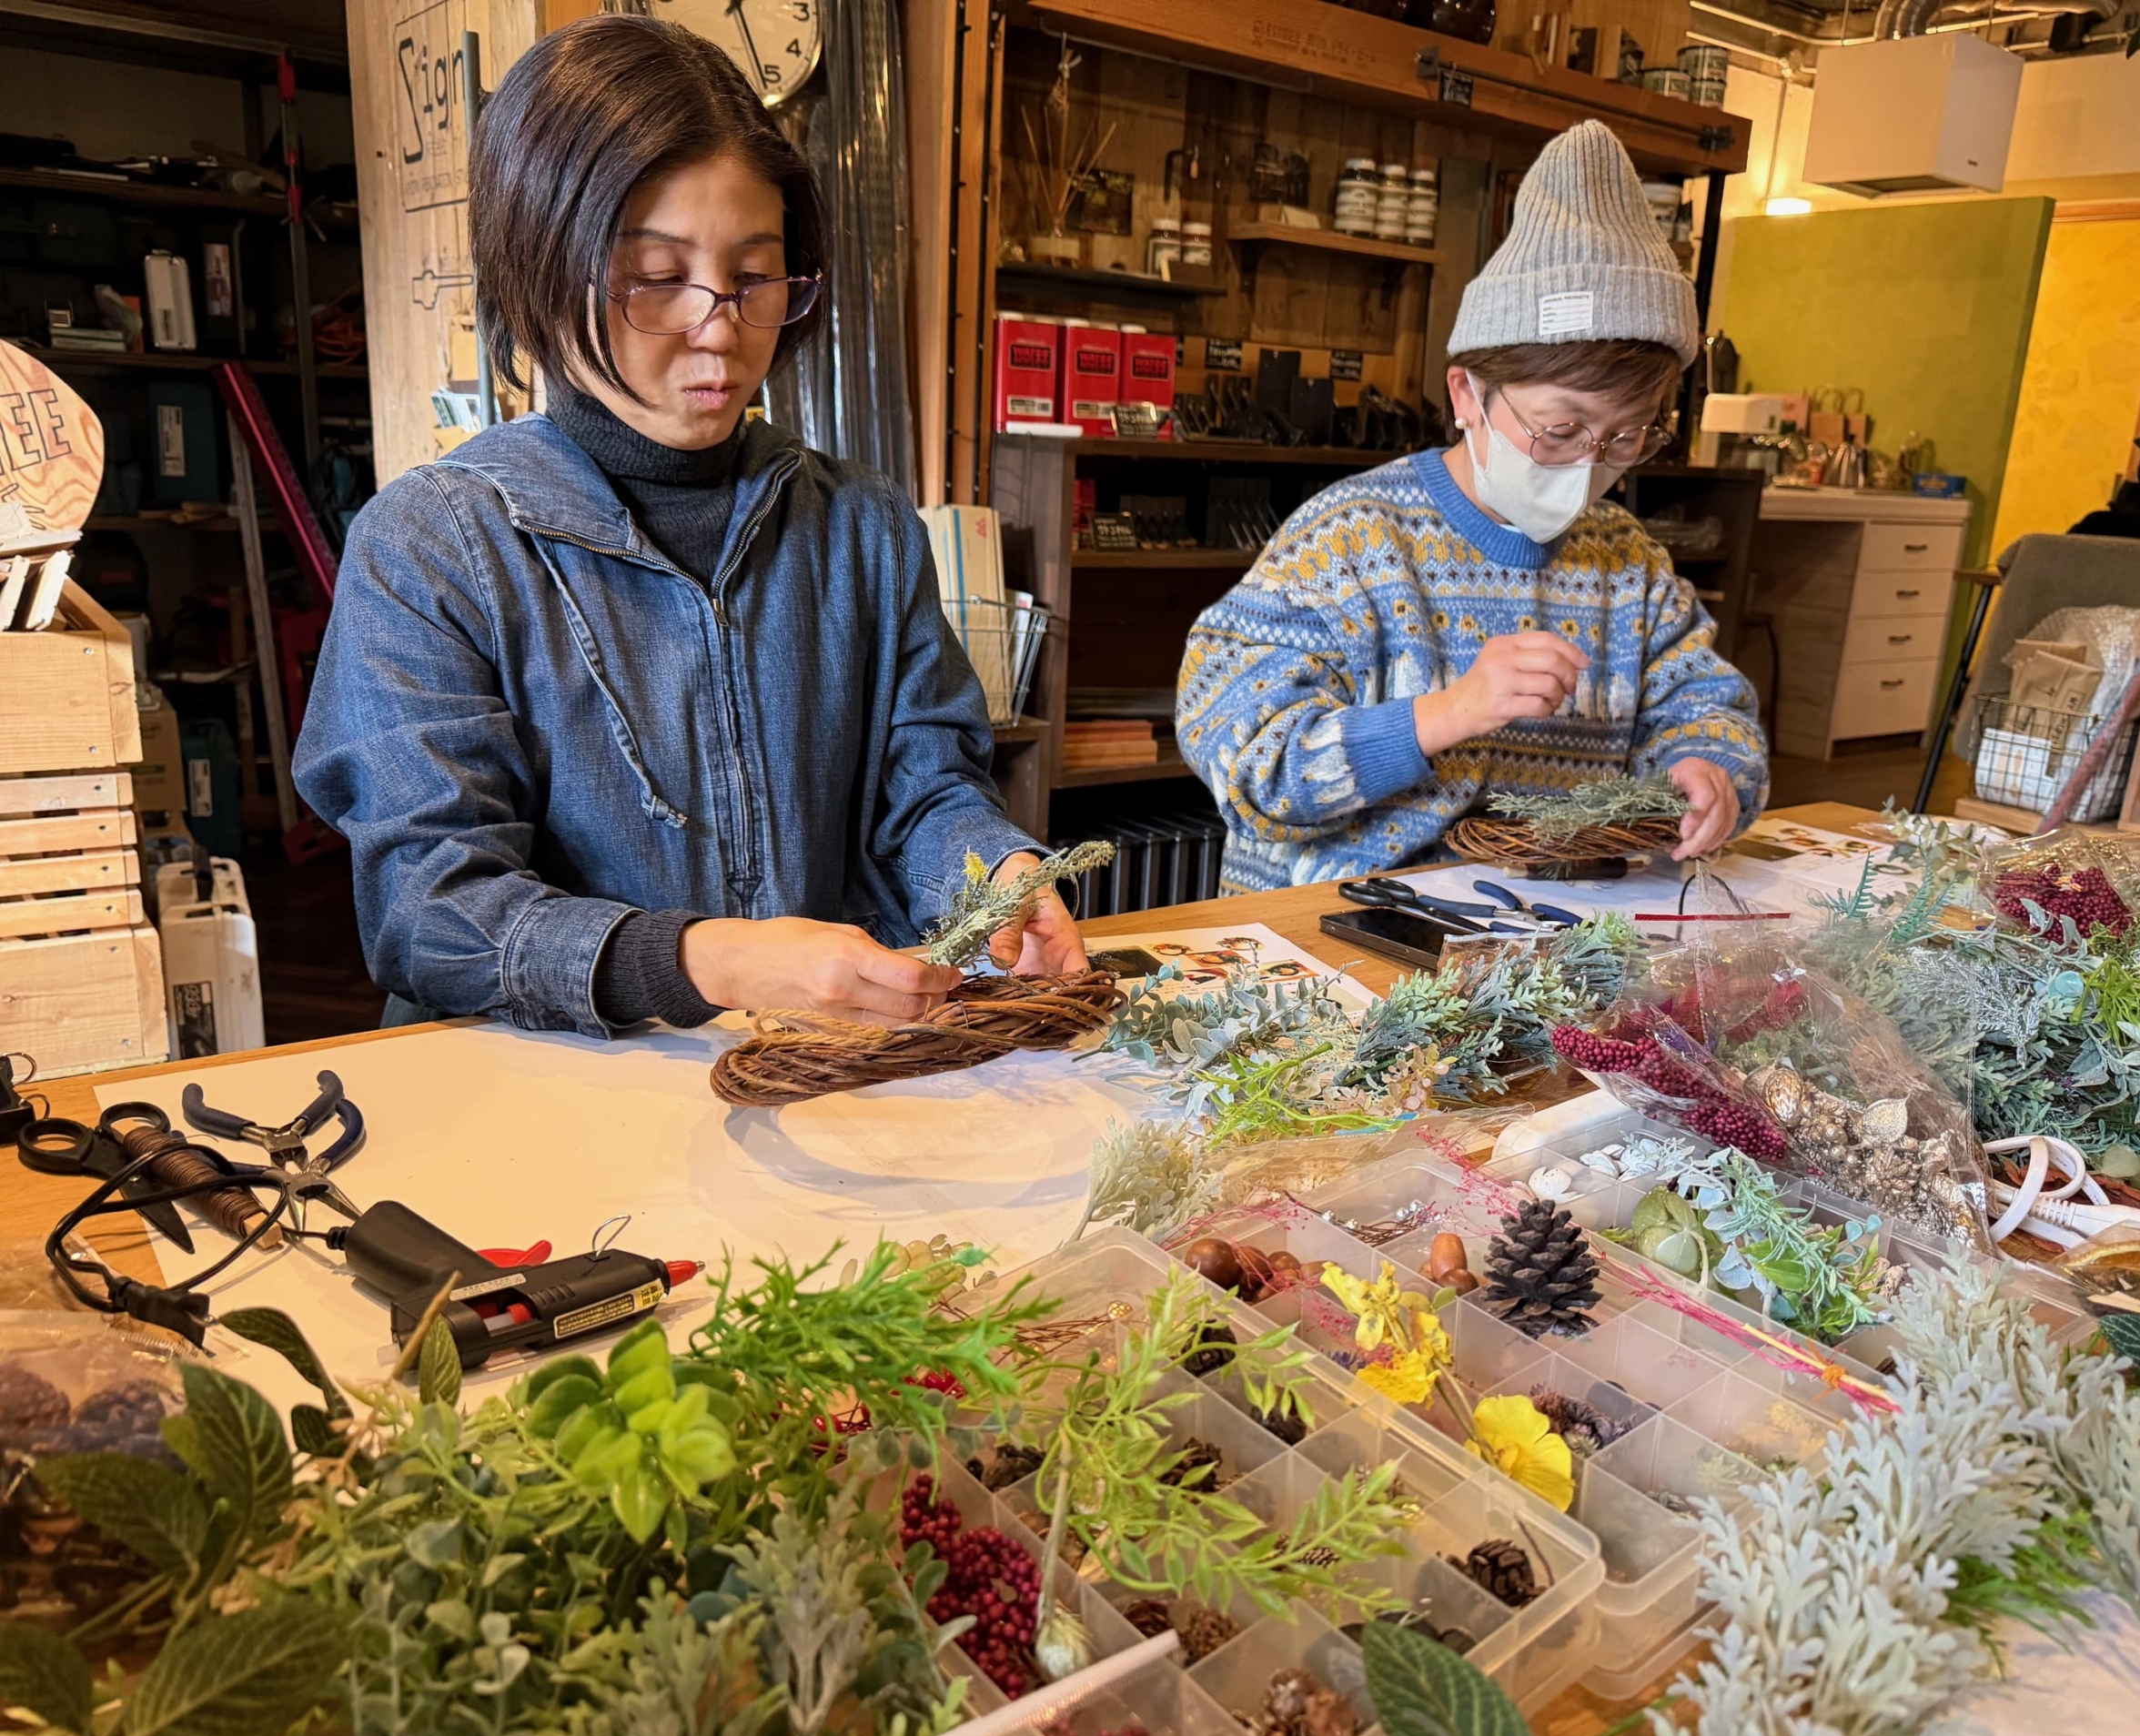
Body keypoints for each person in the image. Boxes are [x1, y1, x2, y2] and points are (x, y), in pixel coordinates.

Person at [295, 15, 1085, 1037]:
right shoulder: (438, 543)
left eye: (754, 278)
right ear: (543, 261)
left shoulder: (859, 524)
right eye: (657, 279)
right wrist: (707, 961)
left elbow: (924, 787)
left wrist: (996, 876)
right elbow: (429, 912)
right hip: (541, 1096)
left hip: (807, 1076)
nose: (720, 328)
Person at [1176, 122, 1769, 893]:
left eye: (1626, 437)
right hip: (1339, 942)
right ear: (1467, 395)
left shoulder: (1626, 563)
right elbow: (1246, 765)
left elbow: (1707, 704)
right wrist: (1449, 711)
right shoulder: (1347, 544)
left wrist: (1709, 767)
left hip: (1554, 943)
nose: (1590, 465)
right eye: (1560, 430)